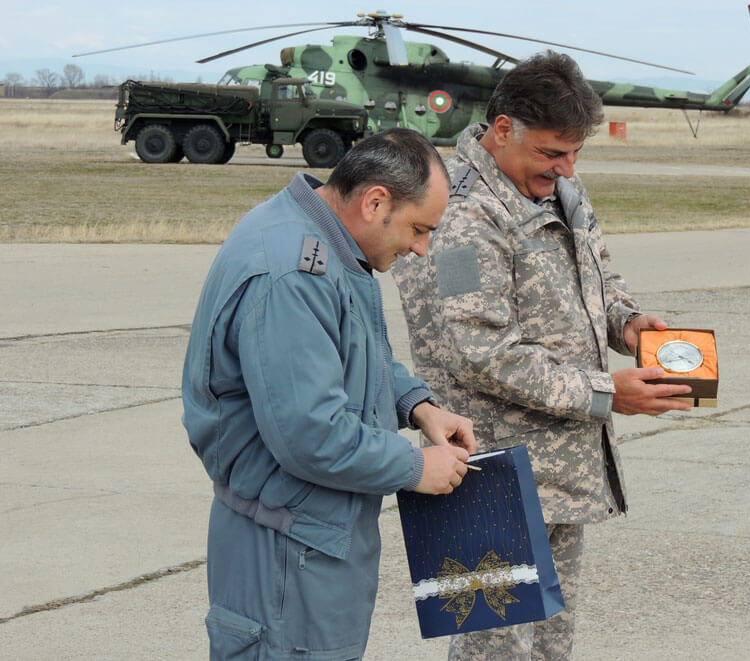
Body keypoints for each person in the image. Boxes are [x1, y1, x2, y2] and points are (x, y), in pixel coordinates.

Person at [392, 52, 693, 660]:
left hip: (562, 468)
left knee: (550, 648)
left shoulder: (560, 190)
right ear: (504, 129)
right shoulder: (460, 214)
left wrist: (628, 324)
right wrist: (607, 393)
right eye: (553, 152)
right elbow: (481, 352)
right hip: (487, 472)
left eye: (575, 153)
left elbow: (599, 279)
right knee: (491, 650)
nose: (566, 167)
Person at [181, 128, 477, 660]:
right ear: (375, 202)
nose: (421, 248)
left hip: (311, 536)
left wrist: (417, 406)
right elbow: (309, 434)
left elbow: (349, 350)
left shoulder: (322, 239)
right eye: (418, 229)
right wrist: (415, 467)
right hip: (285, 550)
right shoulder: (293, 274)